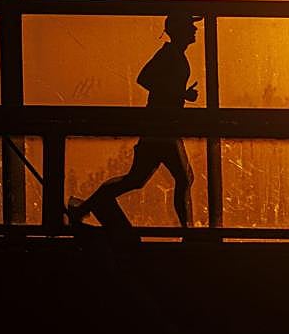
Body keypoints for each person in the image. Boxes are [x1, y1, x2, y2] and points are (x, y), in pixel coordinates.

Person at [67, 12, 201, 229]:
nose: (195, 30)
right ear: (179, 30)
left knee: (138, 179)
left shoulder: (175, 55)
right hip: (160, 128)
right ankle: (188, 231)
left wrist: (181, 94)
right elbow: (144, 78)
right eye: (190, 26)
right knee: (178, 179)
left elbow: (160, 85)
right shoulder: (168, 54)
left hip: (163, 127)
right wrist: (180, 94)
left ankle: (81, 209)